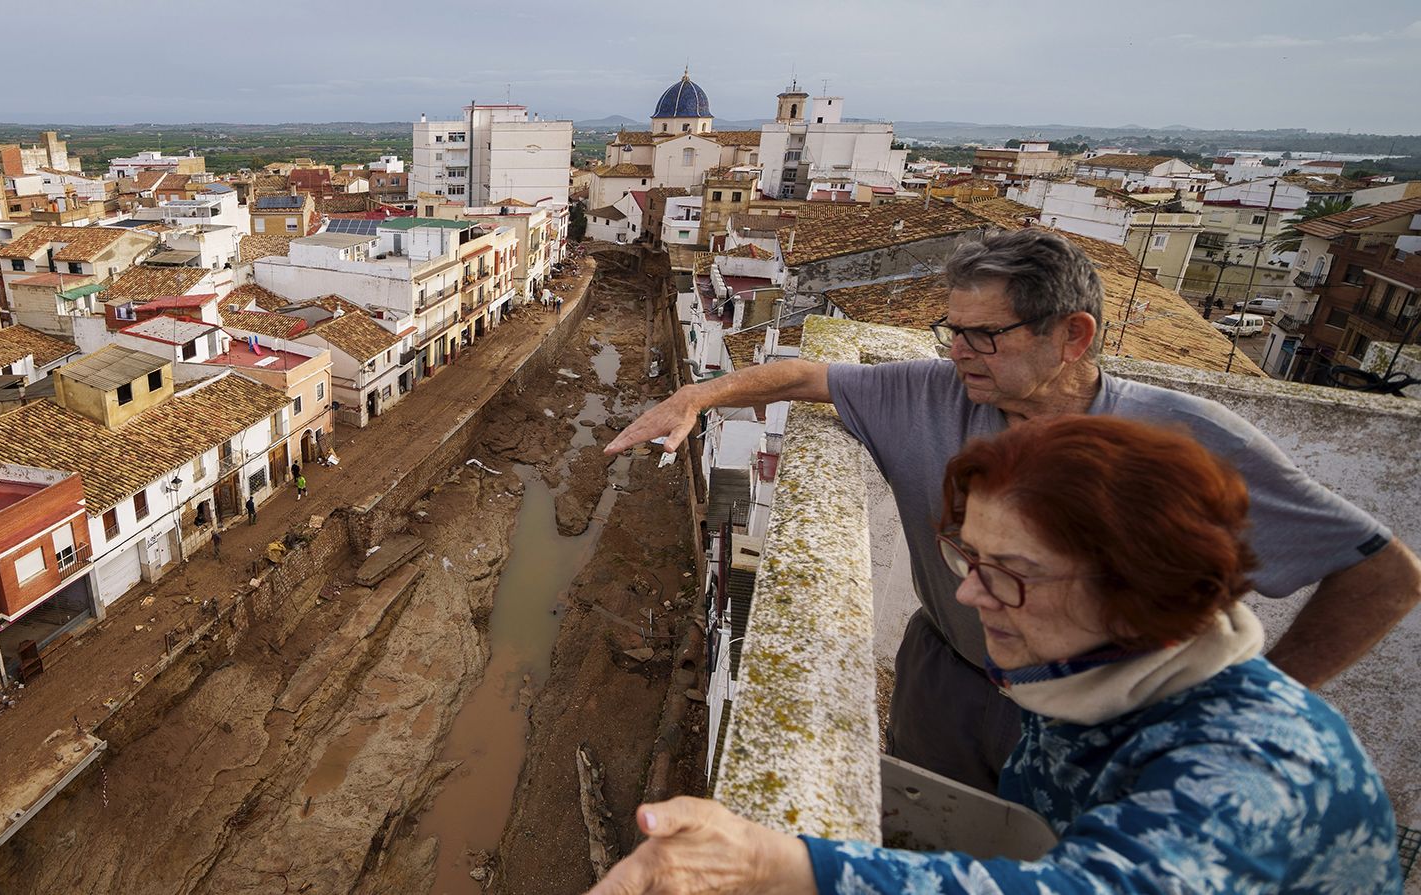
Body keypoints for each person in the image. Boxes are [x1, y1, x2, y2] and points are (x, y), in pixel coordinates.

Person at [605, 228, 1420, 792]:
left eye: (985, 335)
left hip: (1114, 720)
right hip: (948, 685)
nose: (957, 351)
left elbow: (1384, 573)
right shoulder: (930, 391)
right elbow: (805, 377)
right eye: (950, 329)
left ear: (1073, 335)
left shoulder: (1182, 439)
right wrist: (697, 396)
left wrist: (1265, 699)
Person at [588, 416, 1401, 895]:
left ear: (1140, 588)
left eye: (1010, 574)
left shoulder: (1262, 766)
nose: (972, 598)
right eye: (967, 557)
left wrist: (776, 861)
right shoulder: (1085, 675)